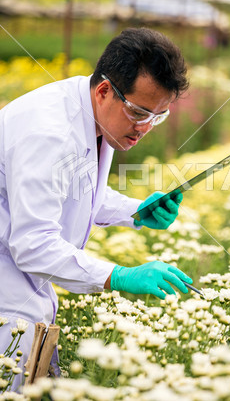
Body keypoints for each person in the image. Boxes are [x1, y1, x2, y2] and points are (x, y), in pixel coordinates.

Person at [0, 27, 193, 390]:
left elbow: (72, 190)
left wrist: (135, 211)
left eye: (158, 116)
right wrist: (118, 275)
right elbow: (33, 245)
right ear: (105, 90)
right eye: (139, 112)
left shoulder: (89, 108)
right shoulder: (49, 132)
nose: (145, 128)